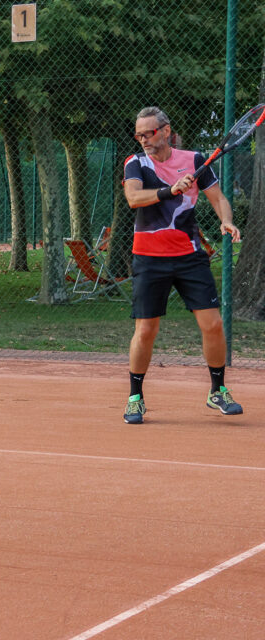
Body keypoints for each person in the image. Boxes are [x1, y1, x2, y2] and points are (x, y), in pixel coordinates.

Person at [121, 106, 241, 424]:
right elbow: (134, 198)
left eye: (148, 132)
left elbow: (217, 198)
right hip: (148, 257)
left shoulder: (194, 160)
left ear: (165, 130)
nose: (143, 139)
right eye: (139, 134)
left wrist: (226, 221)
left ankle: (217, 391)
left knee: (213, 324)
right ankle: (135, 397)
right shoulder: (136, 163)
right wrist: (168, 190)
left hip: (189, 256)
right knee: (146, 330)